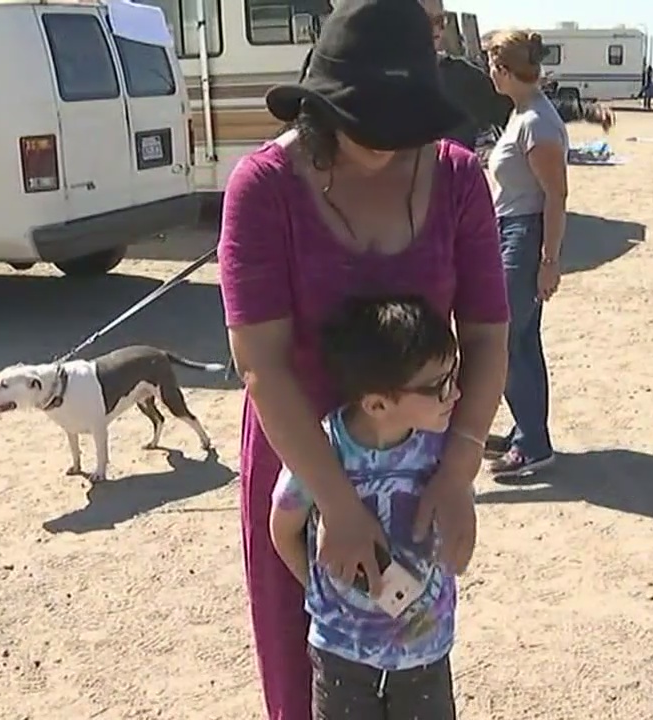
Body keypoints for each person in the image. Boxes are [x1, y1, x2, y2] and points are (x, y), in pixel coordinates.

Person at [218, 0, 511, 716]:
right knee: (308, 674)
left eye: (406, 127)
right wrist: (337, 504)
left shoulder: (460, 179)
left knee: (412, 661)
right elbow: (261, 364)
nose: (391, 145)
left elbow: (485, 336)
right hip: (303, 462)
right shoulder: (263, 189)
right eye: (370, 125)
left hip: (419, 466)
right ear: (322, 108)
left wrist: (459, 468)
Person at [270, 295, 461, 719]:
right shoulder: (321, 451)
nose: (455, 393)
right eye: (439, 385)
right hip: (342, 655)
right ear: (377, 404)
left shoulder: (442, 447)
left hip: (426, 652)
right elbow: (283, 528)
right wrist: (321, 592)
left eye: (454, 375)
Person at [480, 30, 569, 479]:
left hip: (524, 234)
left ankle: (532, 444)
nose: (489, 73)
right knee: (522, 341)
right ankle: (529, 432)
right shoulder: (522, 114)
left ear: (503, 68)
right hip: (511, 230)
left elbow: (556, 195)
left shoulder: (537, 122)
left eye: (491, 65)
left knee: (507, 340)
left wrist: (549, 261)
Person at [297, 0, 512, 152]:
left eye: (441, 20)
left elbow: (514, 116)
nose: (436, 29)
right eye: (425, 21)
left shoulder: (464, 76)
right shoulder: (353, 70)